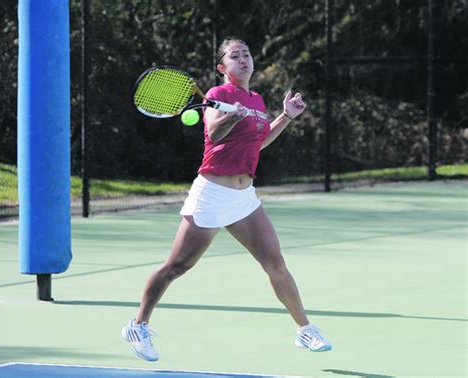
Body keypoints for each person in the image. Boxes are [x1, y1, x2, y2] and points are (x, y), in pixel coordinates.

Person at [122, 37, 332, 362]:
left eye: (246, 54)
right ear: (223, 68)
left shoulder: (257, 99)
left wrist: (285, 116)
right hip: (212, 193)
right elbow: (216, 133)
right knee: (176, 267)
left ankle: (304, 329)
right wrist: (231, 115)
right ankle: (138, 325)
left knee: (275, 263)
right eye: (235, 56)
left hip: (244, 197)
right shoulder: (216, 96)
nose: (243, 60)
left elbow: (257, 144)